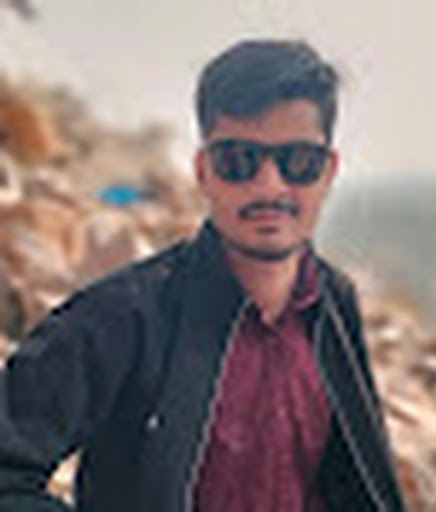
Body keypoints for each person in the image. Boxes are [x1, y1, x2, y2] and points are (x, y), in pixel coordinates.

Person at [0, 39, 406, 511]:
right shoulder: (123, 316)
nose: (270, 186)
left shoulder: (333, 304)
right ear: (203, 170)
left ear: (329, 170)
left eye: (298, 162)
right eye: (238, 160)